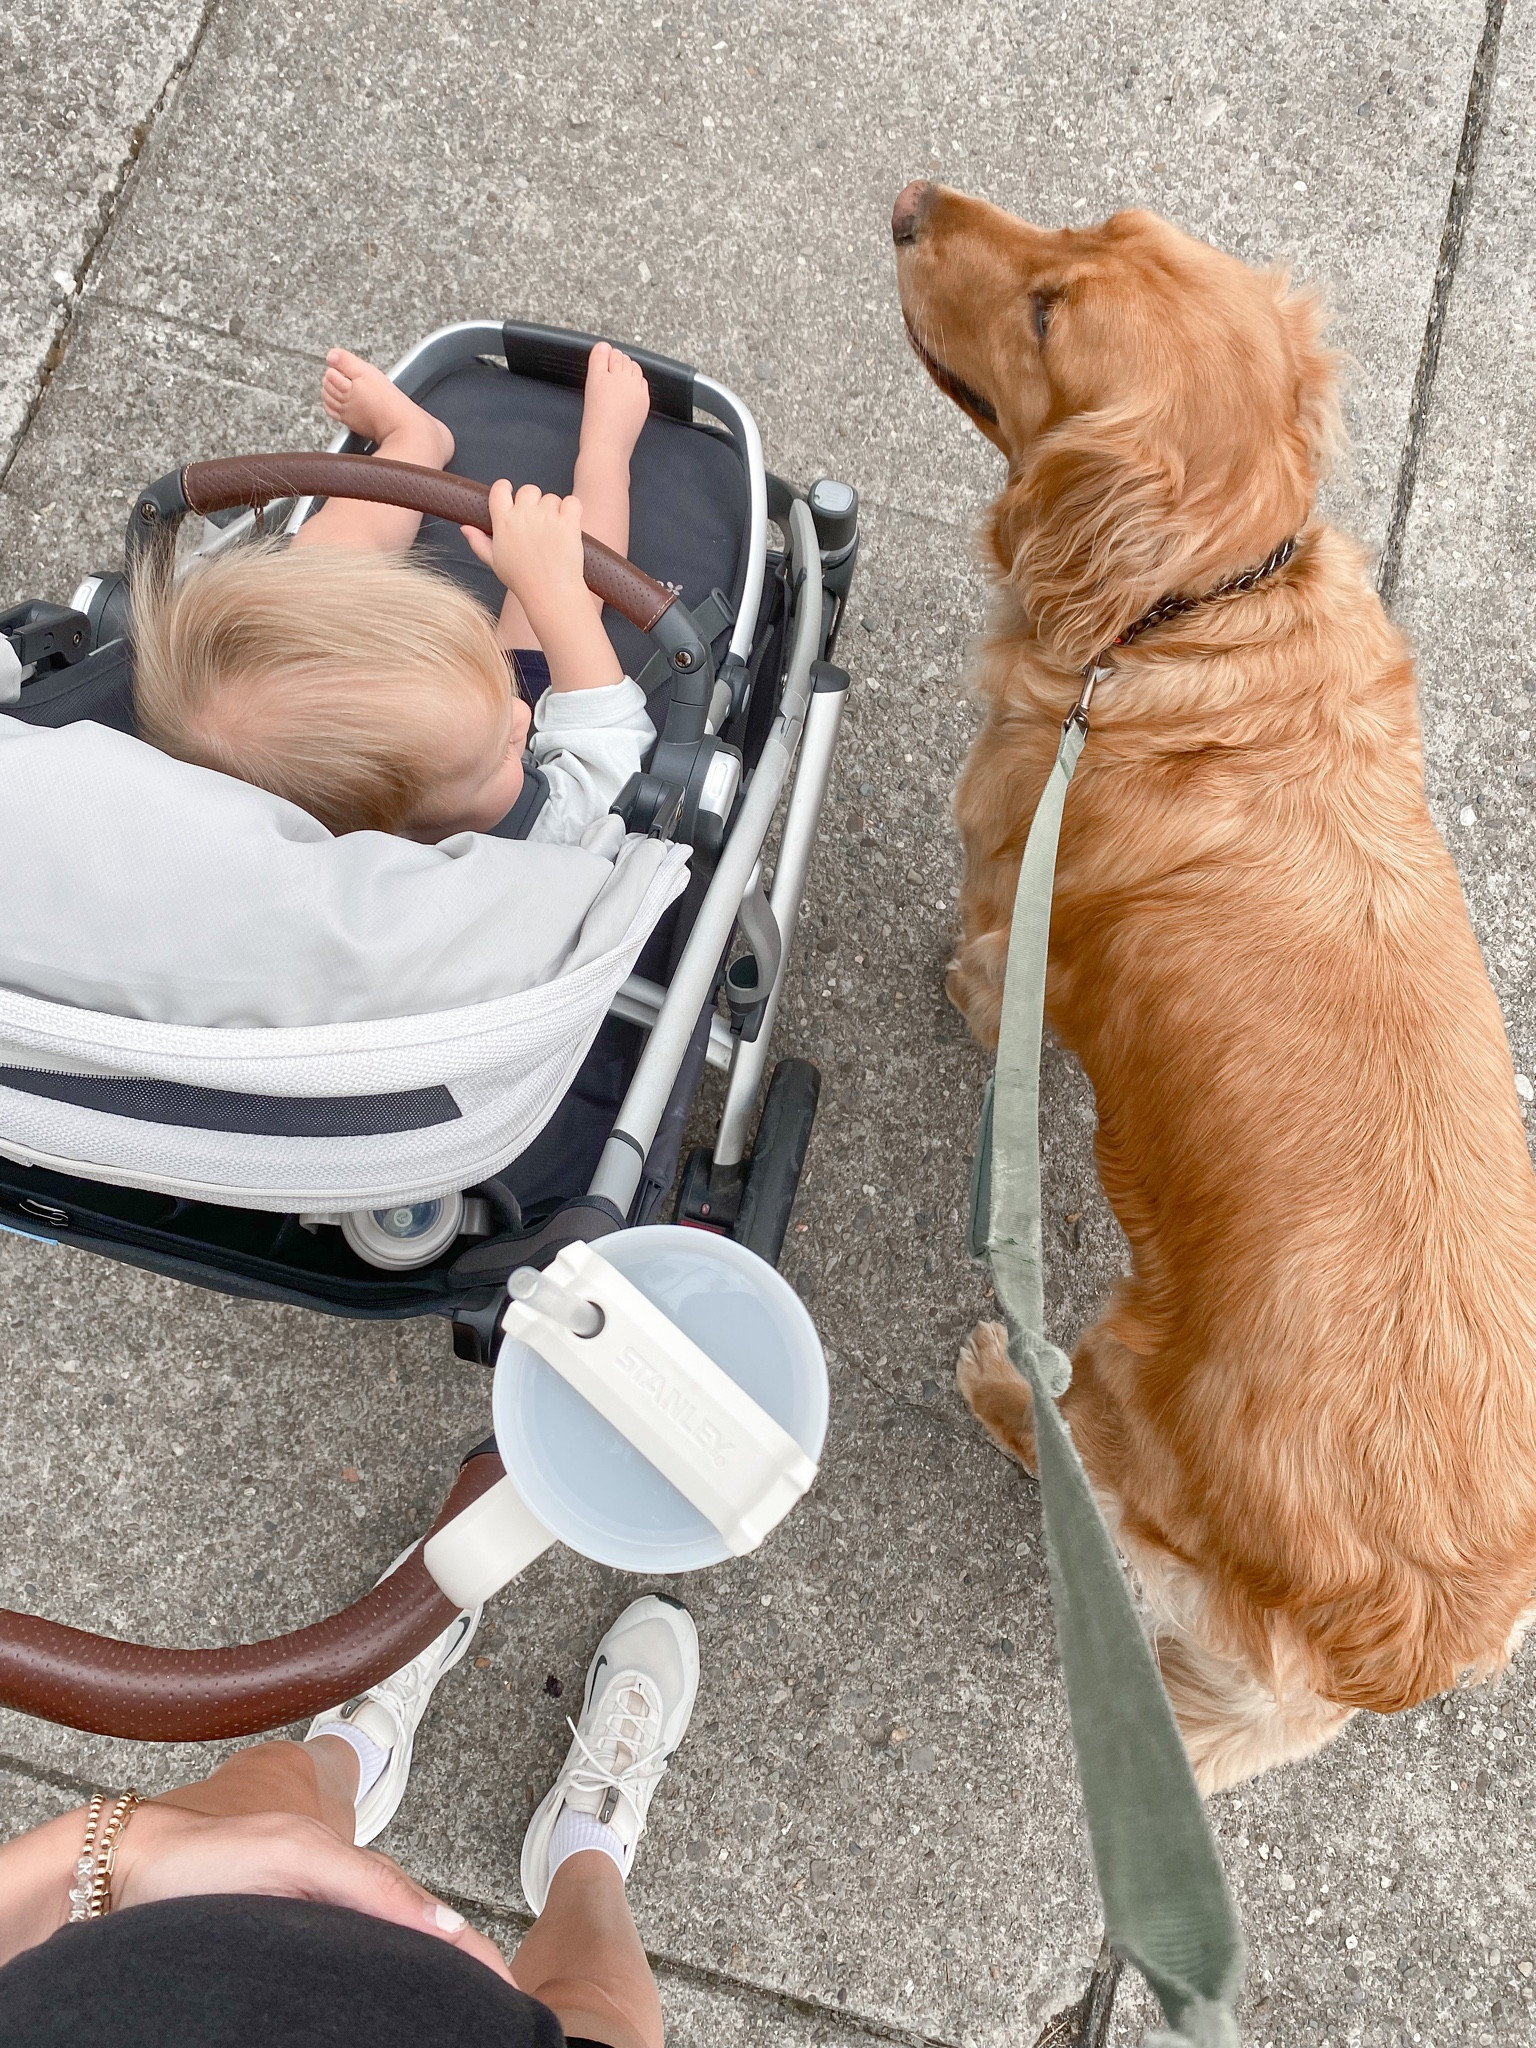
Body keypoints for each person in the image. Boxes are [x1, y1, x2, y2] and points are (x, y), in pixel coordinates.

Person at [0, 1589, 699, 2048]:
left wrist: (121, 1855)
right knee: (592, 2009)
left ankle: (353, 1750)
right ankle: (588, 1845)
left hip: (151, 1991)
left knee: (275, 1793)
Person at [131, 344, 657, 846]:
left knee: (322, 559)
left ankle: (414, 441)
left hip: (380, 710)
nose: (520, 717)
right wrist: (554, 589)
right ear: (395, 835)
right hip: (501, 784)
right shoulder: (540, 837)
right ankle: (607, 455)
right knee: (558, 593)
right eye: (500, 752)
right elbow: (607, 758)